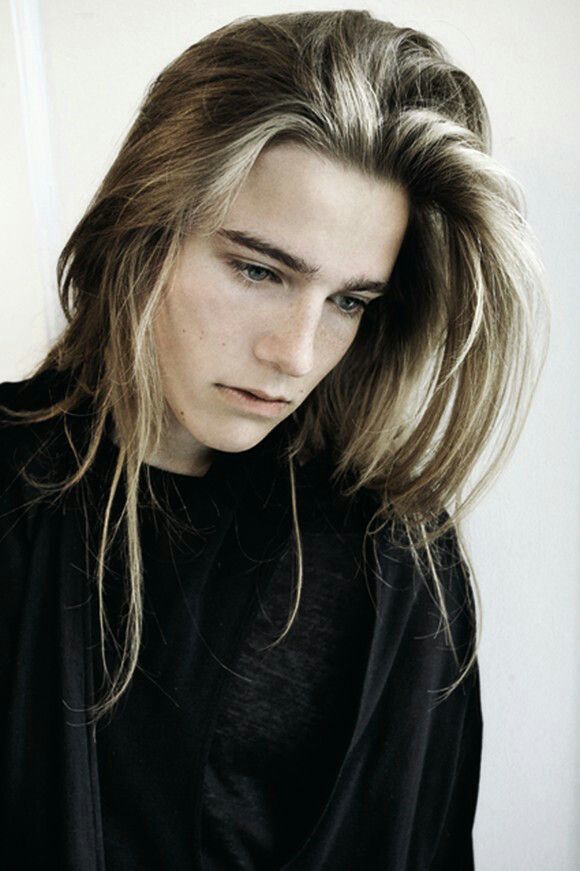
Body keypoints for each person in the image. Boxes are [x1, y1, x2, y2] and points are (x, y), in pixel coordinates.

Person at [0, 9, 547, 870]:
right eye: (259, 270)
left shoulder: (388, 557)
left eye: (348, 301)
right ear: (141, 228)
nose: (296, 354)